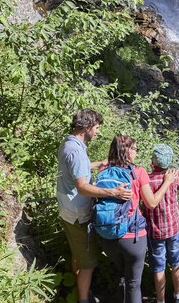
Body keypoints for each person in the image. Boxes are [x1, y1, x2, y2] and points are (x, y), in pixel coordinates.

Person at [56, 109, 131, 303]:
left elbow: (77, 169)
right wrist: (113, 192)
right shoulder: (77, 151)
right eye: (96, 128)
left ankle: (79, 287)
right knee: (88, 263)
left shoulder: (69, 143)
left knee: (77, 252)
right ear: (88, 127)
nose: (97, 132)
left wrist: (98, 164)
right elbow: (82, 187)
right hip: (78, 213)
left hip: (67, 209)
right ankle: (84, 299)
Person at [101, 134, 179, 303]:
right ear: (127, 151)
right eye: (135, 149)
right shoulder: (138, 172)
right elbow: (151, 203)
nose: (136, 152)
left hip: (107, 235)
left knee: (121, 275)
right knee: (133, 284)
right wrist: (167, 181)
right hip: (132, 236)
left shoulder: (104, 171)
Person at [143, 143, 179, 303]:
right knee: (176, 262)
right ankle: (177, 295)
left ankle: (160, 300)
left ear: (153, 163)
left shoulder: (146, 181)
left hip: (155, 231)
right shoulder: (174, 178)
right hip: (174, 228)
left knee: (158, 267)